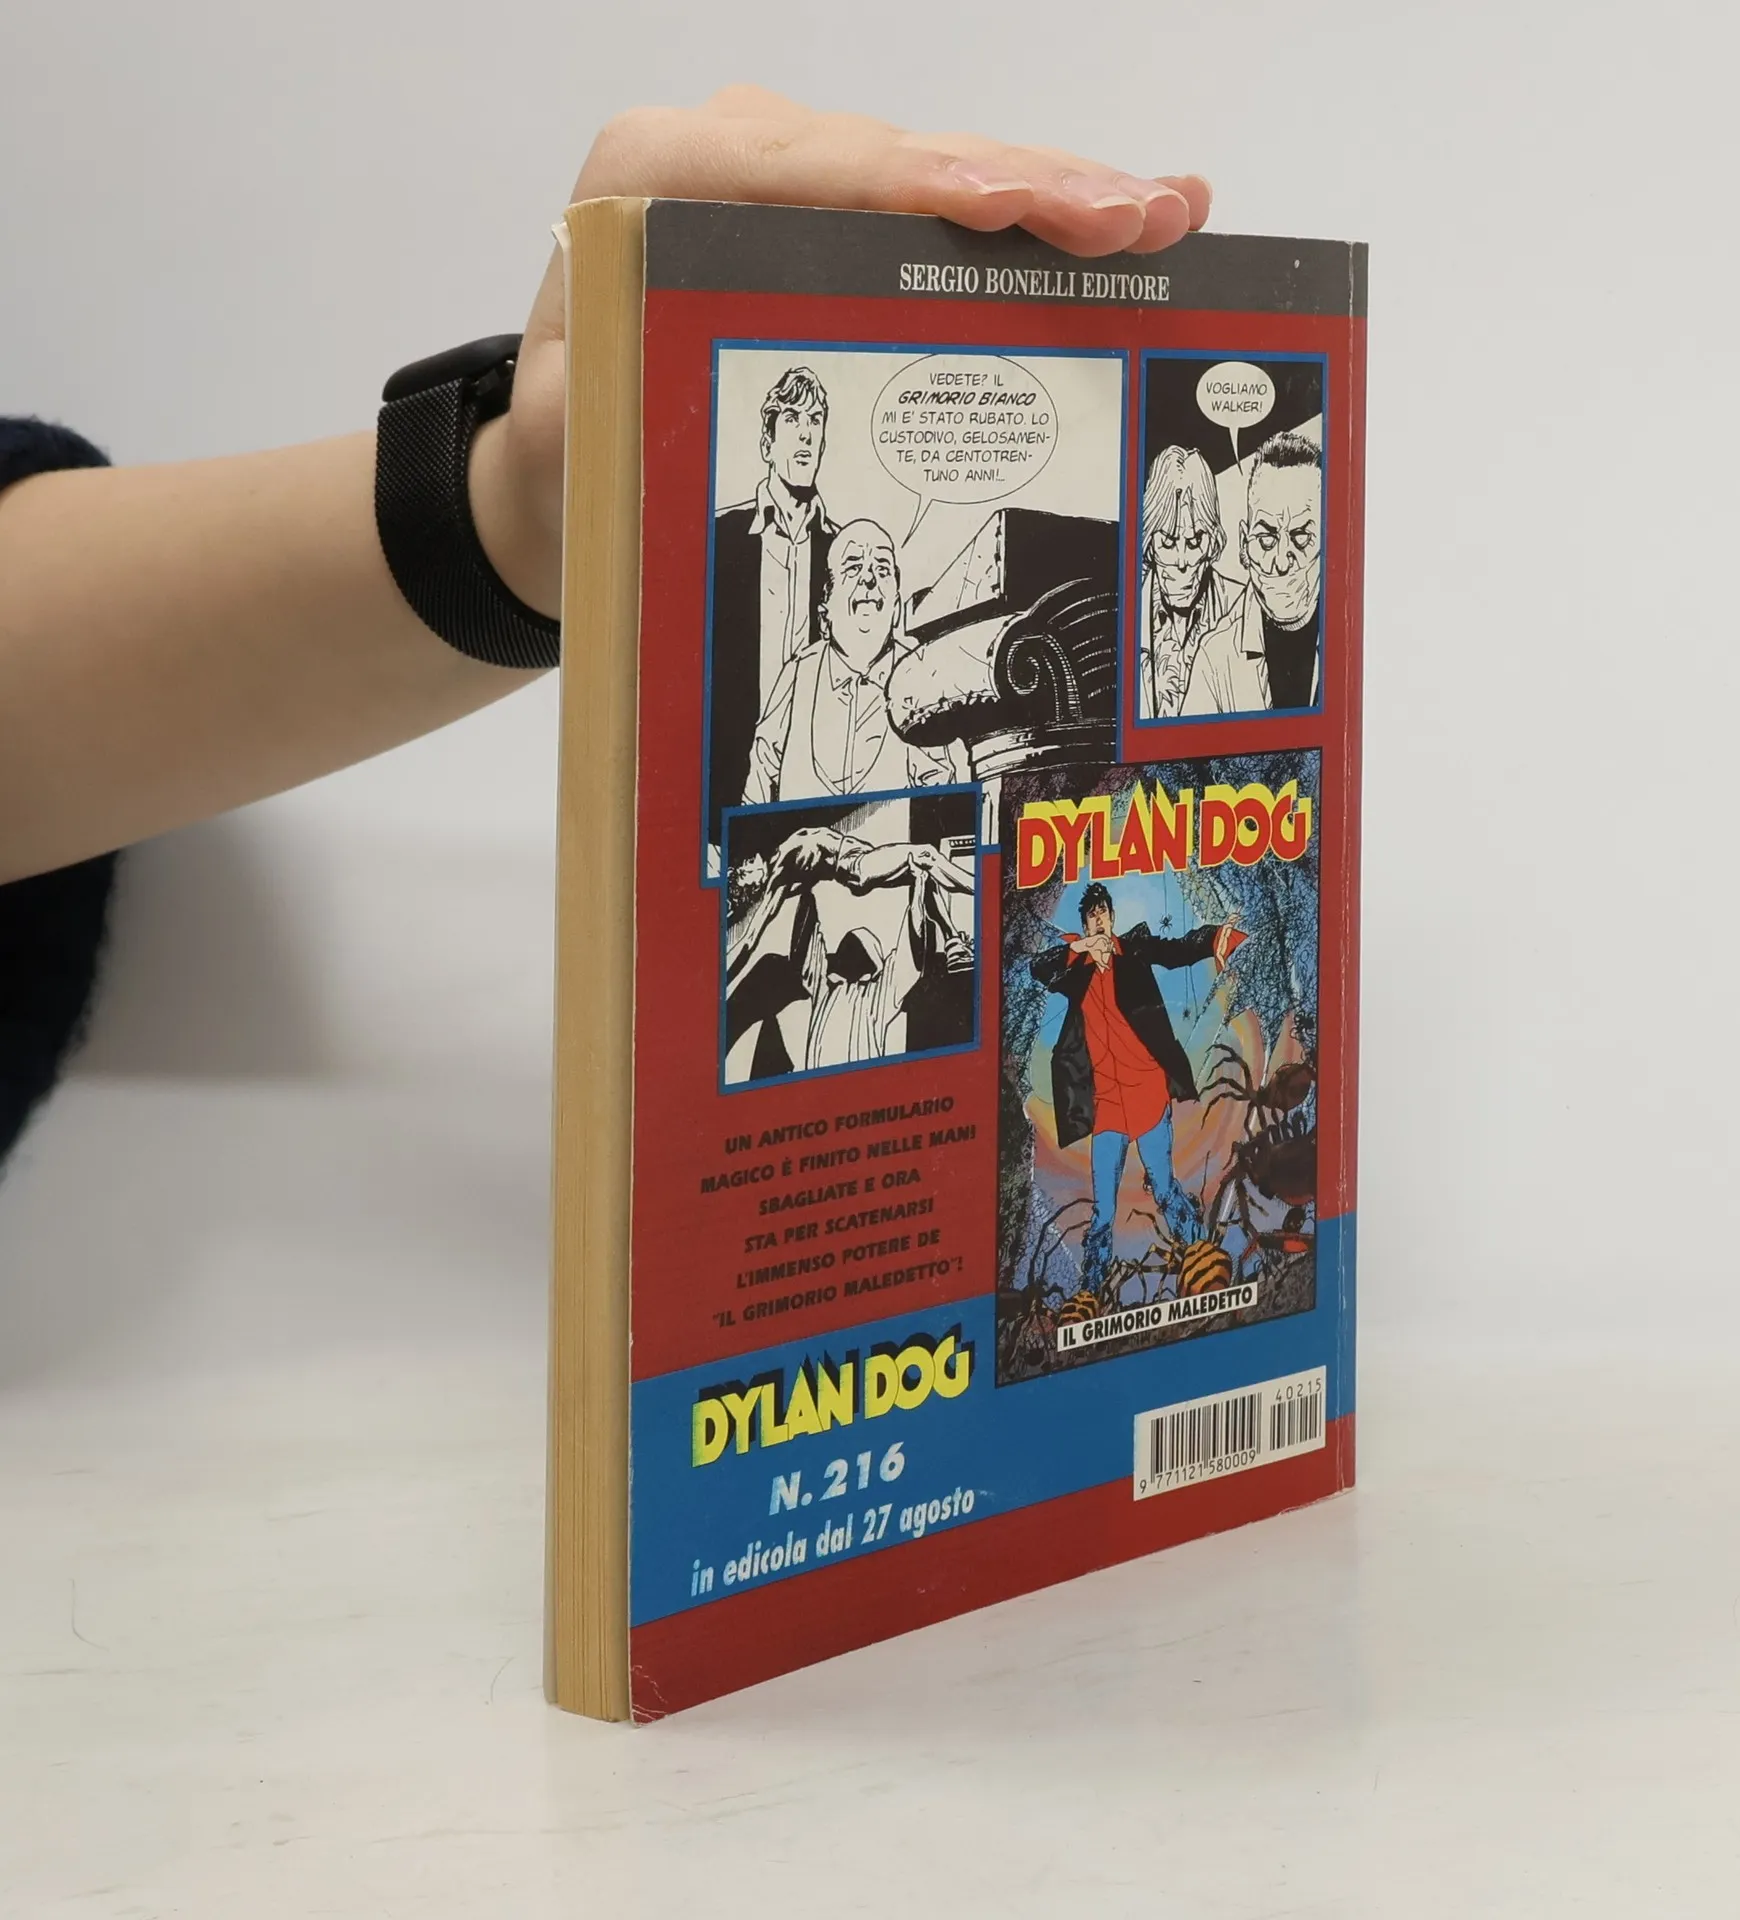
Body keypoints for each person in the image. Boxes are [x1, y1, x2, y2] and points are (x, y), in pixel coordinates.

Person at [0, 89, 1211, 1163]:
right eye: (857, 578)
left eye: (882, 582)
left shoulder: (910, 685)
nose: (870, 594)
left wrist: (525, 505)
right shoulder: (767, 619)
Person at [1030, 882, 1248, 1297]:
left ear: (1112, 918)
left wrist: (1217, 938)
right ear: (1085, 924)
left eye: (1103, 913)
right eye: (1091, 915)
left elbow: (1177, 949)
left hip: (1147, 1093)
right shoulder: (1074, 971)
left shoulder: (1134, 950)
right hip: (1106, 1106)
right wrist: (1081, 950)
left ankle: (1200, 1251)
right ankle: (1092, 1290)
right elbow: (1037, 968)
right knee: (1103, 1209)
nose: (1098, 920)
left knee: (1164, 1186)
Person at [723, 823, 975, 1081]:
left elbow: (908, 950)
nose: (754, 886)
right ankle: (957, 932)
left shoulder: (870, 994)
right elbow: (789, 939)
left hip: (858, 866)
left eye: (747, 880)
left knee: (926, 863)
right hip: (857, 868)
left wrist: (919, 891)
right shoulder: (842, 991)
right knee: (926, 860)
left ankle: (959, 928)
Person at [707, 366, 838, 857]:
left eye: (816, 420)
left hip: (813, 791)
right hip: (724, 793)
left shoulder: (843, 552)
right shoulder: (719, 539)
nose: (806, 432)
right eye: (792, 418)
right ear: (767, 441)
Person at [742, 519, 956, 804]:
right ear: (824, 614)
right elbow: (757, 787)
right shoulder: (798, 673)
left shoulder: (916, 674)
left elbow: (942, 796)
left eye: (882, 569)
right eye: (853, 567)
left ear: (896, 608)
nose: (869, 579)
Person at [1181, 431, 1322, 715]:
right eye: (1266, 539)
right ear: (1244, 542)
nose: (1281, 561)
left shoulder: (1357, 634)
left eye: (1301, 537)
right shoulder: (1215, 659)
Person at [1137, 445, 1236, 719]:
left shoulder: (1241, 608)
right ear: (1150, 543)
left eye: (1194, 542)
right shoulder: (1124, 613)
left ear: (1212, 542)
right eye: (1168, 543)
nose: (1181, 561)